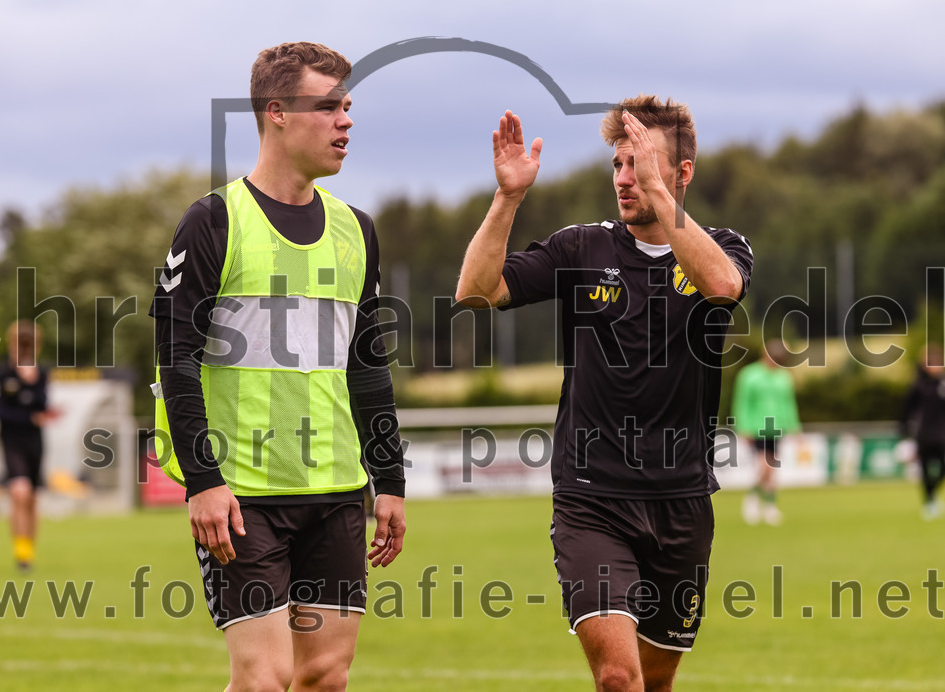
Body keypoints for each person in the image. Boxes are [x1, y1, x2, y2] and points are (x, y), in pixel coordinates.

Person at [456, 99, 753, 691]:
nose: (624, 178)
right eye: (618, 164)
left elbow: (721, 287)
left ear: (683, 173)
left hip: (682, 500)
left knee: (655, 681)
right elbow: (476, 289)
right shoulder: (581, 249)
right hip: (591, 497)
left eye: (639, 163)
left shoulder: (722, 246)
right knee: (619, 678)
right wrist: (508, 198)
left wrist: (659, 195)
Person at [150, 41, 406, 692]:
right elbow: (176, 359)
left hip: (337, 490)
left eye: (347, 106)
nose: (346, 120)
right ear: (277, 113)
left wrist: (390, 479)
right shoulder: (213, 221)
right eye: (328, 107)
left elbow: (367, 365)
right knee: (264, 678)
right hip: (242, 494)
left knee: (324, 675)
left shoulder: (357, 230)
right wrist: (203, 481)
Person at [0, 320, 56, 571]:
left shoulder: (41, 373)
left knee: (31, 498)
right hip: (11, 441)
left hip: (34, 441)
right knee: (20, 492)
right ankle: (21, 555)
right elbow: (1, 412)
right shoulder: (3, 374)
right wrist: (30, 416)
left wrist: (31, 381)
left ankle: (28, 552)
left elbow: (42, 404)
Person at [731, 339, 801, 526]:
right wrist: (742, 427)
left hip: (777, 427)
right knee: (765, 466)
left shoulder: (784, 377)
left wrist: (794, 427)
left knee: (772, 468)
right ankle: (753, 498)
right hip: (756, 427)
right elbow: (742, 402)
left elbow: (789, 403)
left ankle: (769, 505)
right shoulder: (749, 375)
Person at [899, 344, 945, 519]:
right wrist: (904, 432)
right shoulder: (919, 386)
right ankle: (929, 502)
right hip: (924, 435)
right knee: (925, 470)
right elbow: (906, 410)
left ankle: (932, 495)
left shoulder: (943, 384)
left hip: (942, 435)